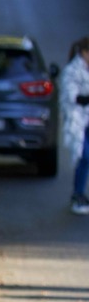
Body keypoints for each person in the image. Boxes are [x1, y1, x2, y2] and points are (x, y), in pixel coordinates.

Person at [60, 37, 89, 215]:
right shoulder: (72, 71)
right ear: (84, 53)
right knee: (84, 156)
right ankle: (77, 194)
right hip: (77, 120)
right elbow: (74, 97)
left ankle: (80, 193)